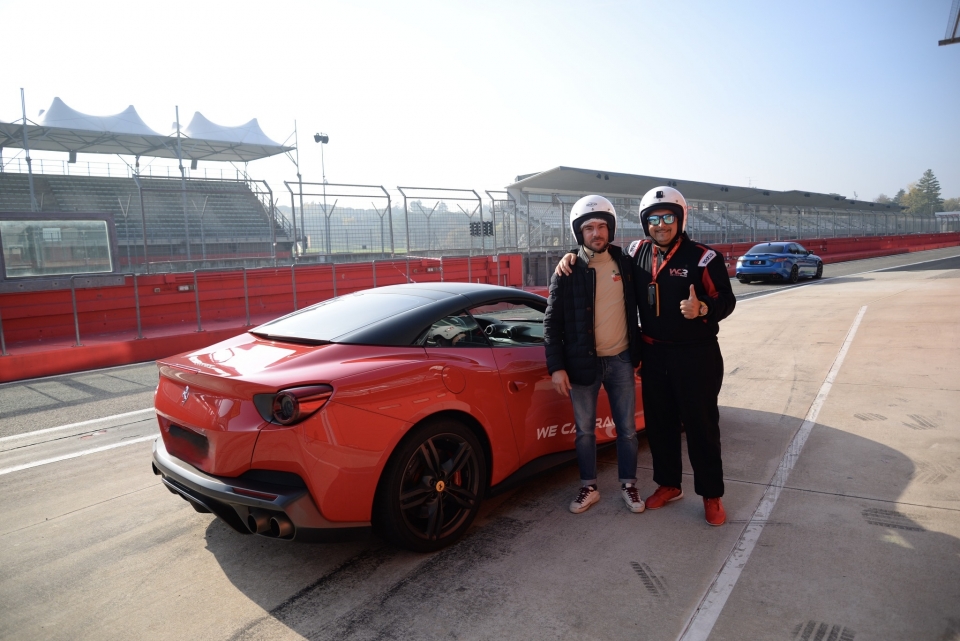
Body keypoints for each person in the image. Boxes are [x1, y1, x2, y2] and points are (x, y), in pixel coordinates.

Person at [556, 187, 735, 526]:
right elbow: (593, 250)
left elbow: (726, 299)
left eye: (668, 218)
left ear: (680, 219)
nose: (661, 225)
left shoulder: (703, 257)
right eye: (654, 219)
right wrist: (569, 255)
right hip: (653, 355)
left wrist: (703, 308)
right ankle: (669, 484)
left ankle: (711, 494)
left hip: (696, 356)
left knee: (702, 427)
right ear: (645, 223)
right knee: (660, 426)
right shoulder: (636, 253)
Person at [544, 195, 644, 514]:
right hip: (582, 364)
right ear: (580, 233)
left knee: (627, 429)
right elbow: (552, 322)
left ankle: (628, 484)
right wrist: (556, 367)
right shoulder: (567, 270)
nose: (596, 233)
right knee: (585, 431)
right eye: (589, 227)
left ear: (610, 229)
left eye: (602, 226)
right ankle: (589, 487)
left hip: (621, 360)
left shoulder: (625, 263)